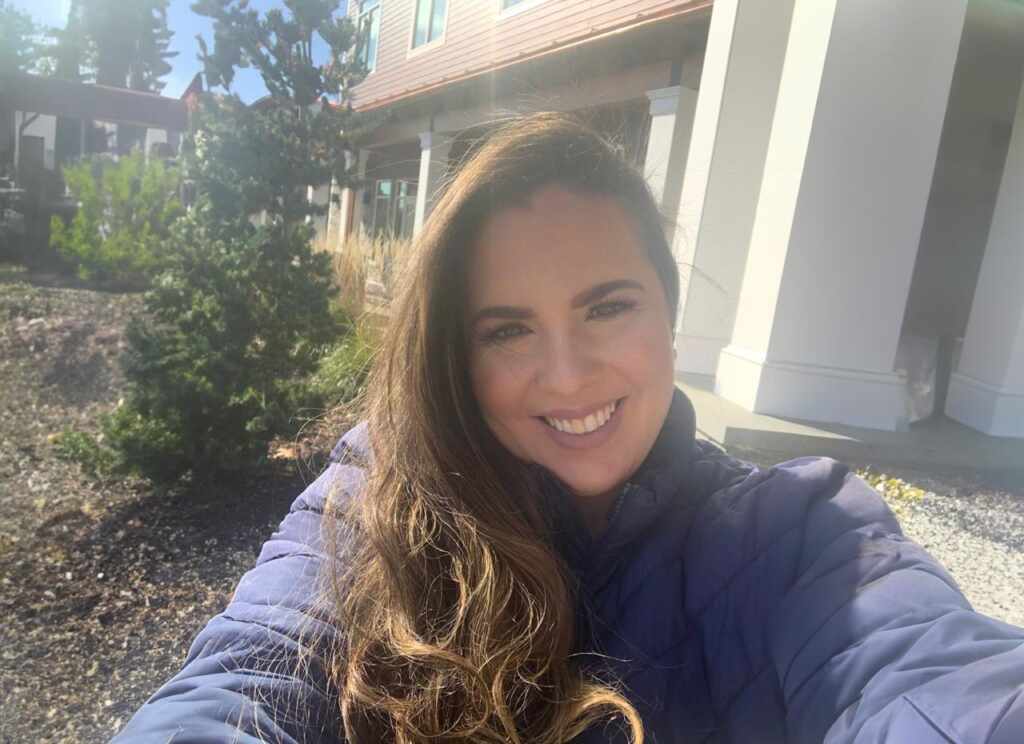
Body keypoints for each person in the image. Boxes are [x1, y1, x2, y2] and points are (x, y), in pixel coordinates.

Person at [112, 114, 1024, 744]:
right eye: (508, 330)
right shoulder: (379, 489)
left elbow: (923, 673)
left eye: (607, 307)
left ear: (669, 314)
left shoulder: (795, 533)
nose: (567, 374)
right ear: (456, 358)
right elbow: (249, 674)